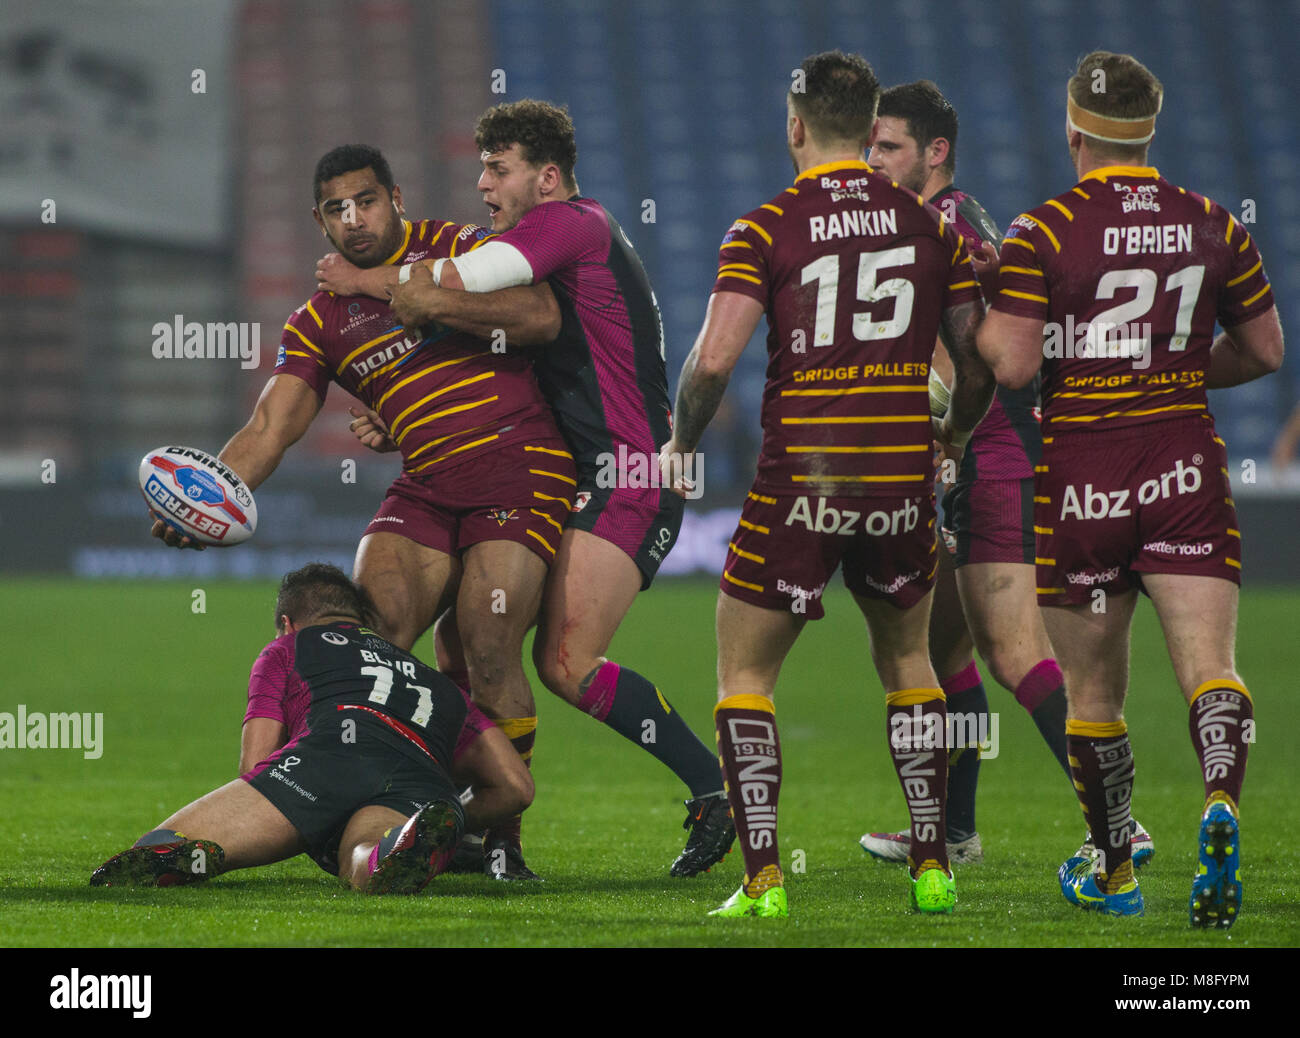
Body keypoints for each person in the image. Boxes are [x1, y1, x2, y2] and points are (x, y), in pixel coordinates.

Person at [319, 103, 736, 878]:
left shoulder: (569, 222)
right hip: (592, 473)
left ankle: (714, 790)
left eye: (498, 168)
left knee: (567, 662)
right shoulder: (567, 237)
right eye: (481, 167)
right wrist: (395, 413)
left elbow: (458, 281)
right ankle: (475, 832)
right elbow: (490, 335)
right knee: (468, 643)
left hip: (627, 474)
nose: (482, 184)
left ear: (545, 177)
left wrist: (362, 279)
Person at [150, 144, 570, 879]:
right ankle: (379, 816)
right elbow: (270, 428)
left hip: (517, 469)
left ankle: (500, 841)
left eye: (367, 200)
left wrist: (420, 294)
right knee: (367, 639)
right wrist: (206, 497)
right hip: (427, 485)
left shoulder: (457, 248)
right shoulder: (320, 320)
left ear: (396, 197)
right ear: (320, 222)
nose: (355, 218)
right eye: (337, 209)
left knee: (487, 640)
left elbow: (539, 314)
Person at [657, 50, 994, 917]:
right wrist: (951, 429)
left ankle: (764, 877)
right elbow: (979, 357)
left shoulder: (765, 225)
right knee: (910, 660)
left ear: (796, 125)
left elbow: (713, 362)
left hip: (801, 478)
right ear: (869, 122)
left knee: (745, 674)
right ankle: (933, 865)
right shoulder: (934, 228)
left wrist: (680, 439)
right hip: (896, 479)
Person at [978, 51, 1282, 924]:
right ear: (1149, 135)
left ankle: (1113, 869)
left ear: (1074, 130)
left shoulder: (1043, 230)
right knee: (1211, 669)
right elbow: (1265, 352)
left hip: (1084, 474)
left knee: (1095, 694)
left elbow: (1017, 363)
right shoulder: (1215, 224)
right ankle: (1218, 802)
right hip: (1182, 458)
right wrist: (1176, 367)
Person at [857, 81, 1153, 868]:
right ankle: (954, 832)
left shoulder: (946, 223)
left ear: (935, 152)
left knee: (1015, 650)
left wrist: (941, 440)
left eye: (887, 147)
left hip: (990, 455)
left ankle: (1119, 822)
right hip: (976, 454)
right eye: (869, 146)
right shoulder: (944, 223)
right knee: (948, 655)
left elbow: (976, 352)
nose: (872, 161)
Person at [90, 564, 533, 892]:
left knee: (155, 848)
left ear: (287, 622)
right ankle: (395, 847)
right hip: (420, 783)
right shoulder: (437, 684)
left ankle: (184, 854)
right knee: (367, 855)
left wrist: (311, 814)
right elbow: (516, 787)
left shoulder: (288, 648)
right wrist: (454, 821)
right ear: (359, 620)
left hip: (325, 761)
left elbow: (257, 762)